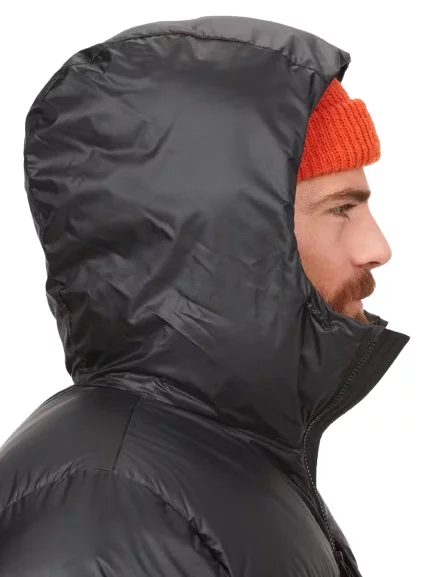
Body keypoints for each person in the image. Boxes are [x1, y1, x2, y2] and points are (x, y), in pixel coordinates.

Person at [0, 15, 409, 577]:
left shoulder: (214, 460)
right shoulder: (107, 514)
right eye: (341, 208)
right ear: (220, 238)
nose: (377, 247)